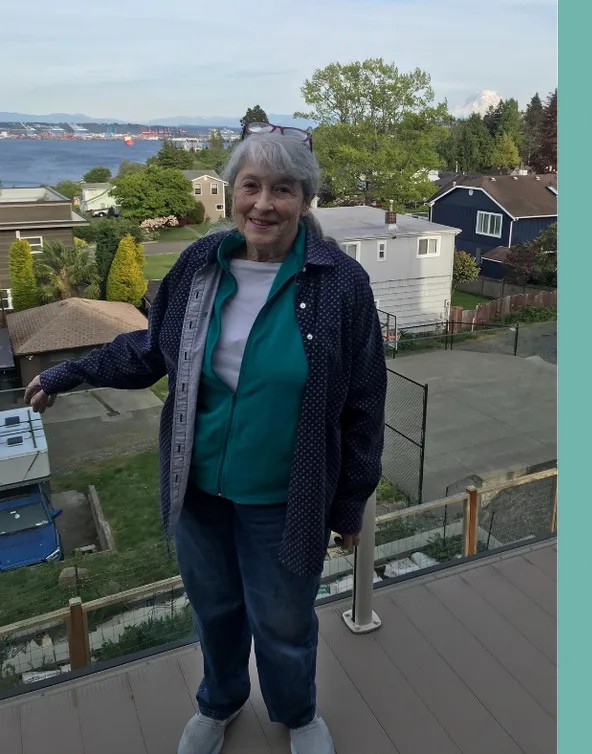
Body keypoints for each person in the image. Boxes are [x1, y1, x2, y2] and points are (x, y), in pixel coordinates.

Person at [23, 124, 387, 754]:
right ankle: (218, 703)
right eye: (251, 186)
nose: (263, 204)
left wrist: (351, 502)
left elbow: (363, 402)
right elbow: (148, 350)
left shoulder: (340, 284)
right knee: (215, 613)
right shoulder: (200, 266)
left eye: (283, 189)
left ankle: (298, 715)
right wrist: (68, 373)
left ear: (306, 198)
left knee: (283, 620)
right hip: (198, 493)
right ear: (232, 191)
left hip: (284, 500)